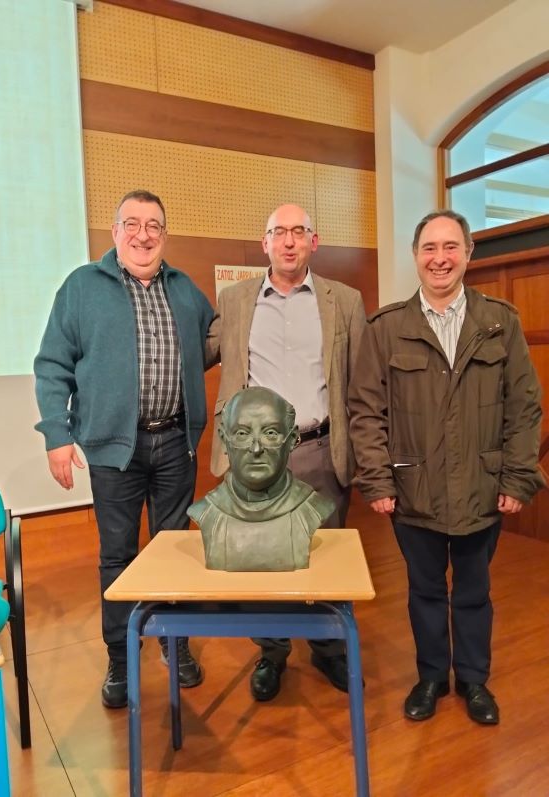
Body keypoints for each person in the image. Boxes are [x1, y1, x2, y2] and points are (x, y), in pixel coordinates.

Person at [349, 209, 544, 725]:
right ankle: (432, 676)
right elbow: (365, 410)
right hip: (413, 489)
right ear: (415, 256)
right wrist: (377, 479)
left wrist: (518, 477)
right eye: (430, 248)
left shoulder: (500, 322)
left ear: (468, 253)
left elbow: (524, 406)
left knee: (475, 592)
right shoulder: (387, 328)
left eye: (451, 246)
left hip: (483, 487)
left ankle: (474, 679)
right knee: (425, 591)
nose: (440, 258)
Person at [34, 190, 215, 709]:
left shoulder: (184, 289)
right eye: (131, 223)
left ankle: (174, 643)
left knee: (174, 548)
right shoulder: (81, 287)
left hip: (175, 441)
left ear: (164, 235)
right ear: (115, 232)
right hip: (113, 449)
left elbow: (210, 343)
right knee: (118, 555)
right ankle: (120, 656)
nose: (143, 234)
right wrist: (57, 434)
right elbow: (52, 365)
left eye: (153, 225)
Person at [206, 203, 366, 700]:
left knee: (325, 555)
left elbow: (362, 381)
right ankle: (271, 652)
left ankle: (329, 649)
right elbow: (202, 354)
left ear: (314, 242)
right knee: (260, 559)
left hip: (320, 448)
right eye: (279, 232)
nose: (289, 241)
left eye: (299, 232)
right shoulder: (235, 300)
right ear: (266, 242)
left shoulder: (345, 300)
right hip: (256, 456)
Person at [188, 387, 334, 571]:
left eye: (270, 433)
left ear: (292, 439)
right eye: (242, 434)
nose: (256, 448)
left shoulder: (312, 508)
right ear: (224, 440)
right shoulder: (207, 511)